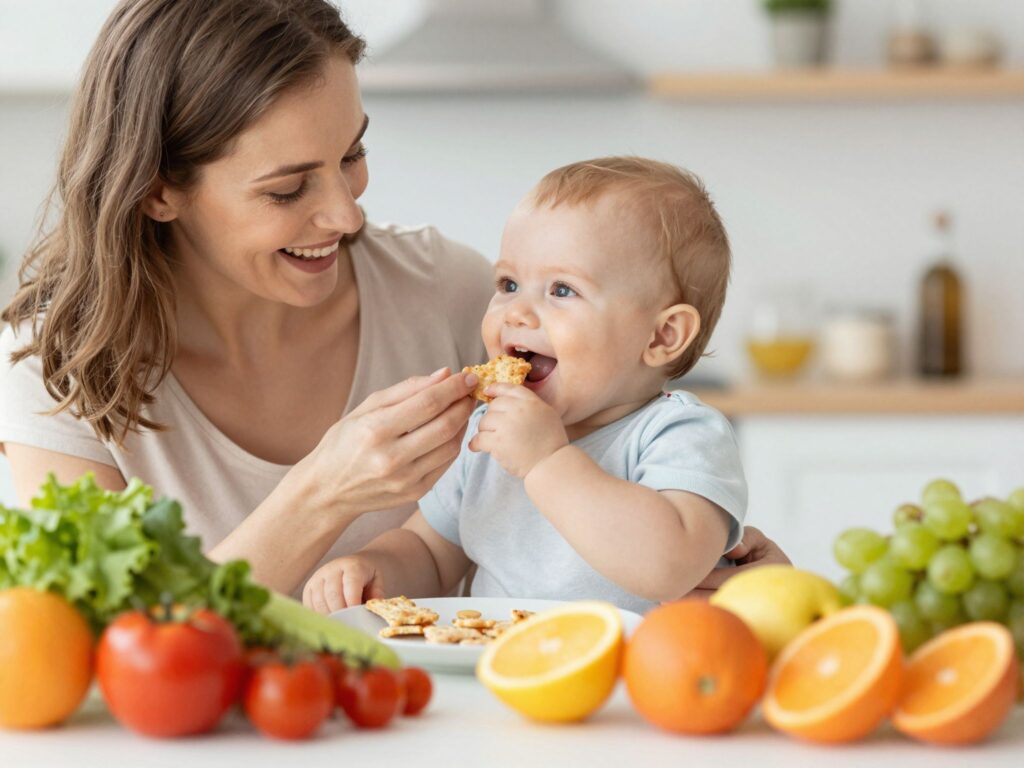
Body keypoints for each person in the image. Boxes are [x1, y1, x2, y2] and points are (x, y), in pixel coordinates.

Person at [0, 0, 787, 600]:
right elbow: (92, 644)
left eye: (354, 153)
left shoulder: (444, 292)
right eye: (287, 188)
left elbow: (627, 491)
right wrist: (322, 499)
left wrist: (746, 574)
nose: (347, 215)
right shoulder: (58, 365)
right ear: (158, 190)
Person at [303, 157, 763, 615]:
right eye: (508, 283)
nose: (516, 313)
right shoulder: (490, 435)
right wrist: (376, 569)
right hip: (501, 673)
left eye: (562, 290)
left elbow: (668, 567)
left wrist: (547, 461)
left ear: (661, 336)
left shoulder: (680, 435)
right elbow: (429, 550)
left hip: (633, 682)